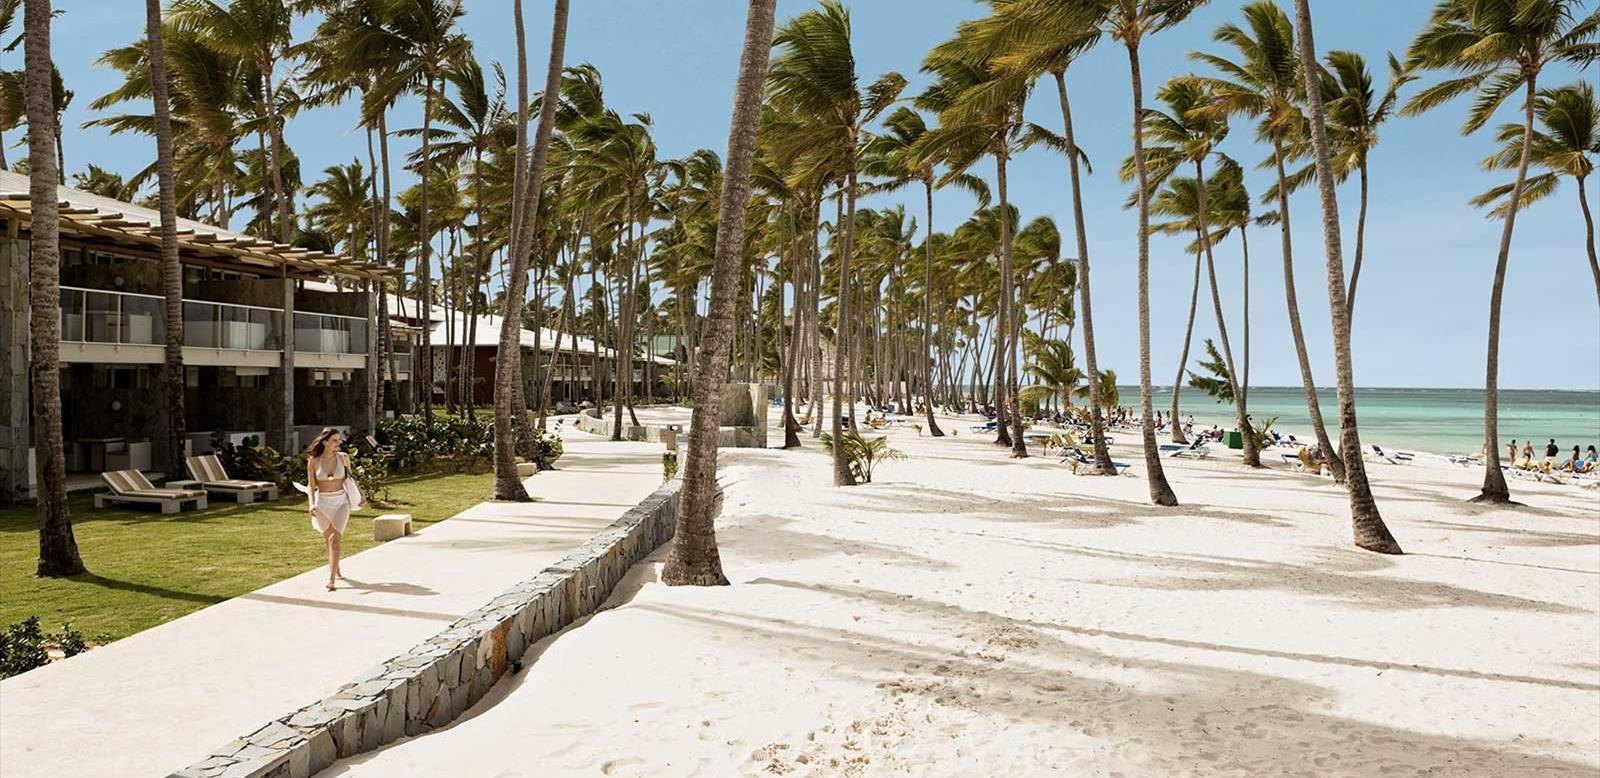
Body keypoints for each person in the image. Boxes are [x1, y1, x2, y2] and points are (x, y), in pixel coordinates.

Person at [305, 428, 365, 592]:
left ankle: (331, 579)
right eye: (335, 440)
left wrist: (361, 495)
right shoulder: (313, 461)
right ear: (325, 442)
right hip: (322, 503)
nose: (338, 443)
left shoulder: (344, 458)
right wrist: (311, 504)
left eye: (339, 440)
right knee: (328, 538)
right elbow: (311, 486)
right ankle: (335, 568)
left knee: (335, 539)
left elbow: (351, 479)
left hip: (341, 502)